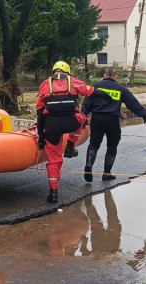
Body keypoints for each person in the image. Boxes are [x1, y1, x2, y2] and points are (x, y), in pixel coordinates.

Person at [35, 61, 105, 204]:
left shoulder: (44, 85)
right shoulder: (73, 82)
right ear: (67, 71)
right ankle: (70, 146)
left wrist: (41, 135)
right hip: (71, 122)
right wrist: (106, 96)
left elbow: (39, 112)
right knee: (82, 119)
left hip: (51, 126)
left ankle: (53, 193)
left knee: (54, 160)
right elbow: (91, 92)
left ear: (53, 71)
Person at [81, 67, 146, 182]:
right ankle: (106, 173)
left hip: (97, 119)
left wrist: (84, 116)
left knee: (93, 144)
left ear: (104, 75)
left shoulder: (95, 86)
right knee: (112, 146)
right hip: (112, 120)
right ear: (116, 76)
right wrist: (144, 114)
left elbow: (86, 102)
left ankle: (89, 167)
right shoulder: (120, 88)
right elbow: (132, 103)